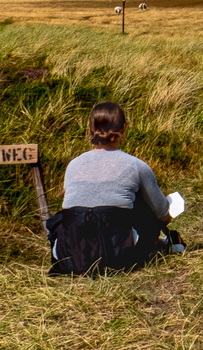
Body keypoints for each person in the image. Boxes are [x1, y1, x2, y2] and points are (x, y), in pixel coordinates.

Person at [47, 101, 181, 275]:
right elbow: (163, 215)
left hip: (71, 255)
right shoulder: (136, 166)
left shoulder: (73, 165)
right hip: (118, 257)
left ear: (90, 129)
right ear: (123, 128)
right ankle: (162, 244)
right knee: (142, 205)